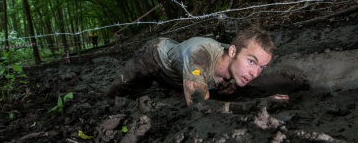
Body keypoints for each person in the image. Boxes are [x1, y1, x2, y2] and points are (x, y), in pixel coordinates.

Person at [107, 27, 289, 112]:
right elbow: (199, 106)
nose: (255, 73)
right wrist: (260, 104)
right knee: (115, 94)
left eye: (262, 67)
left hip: (180, 70)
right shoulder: (201, 53)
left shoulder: (234, 60)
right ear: (232, 51)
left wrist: (217, 87)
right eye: (251, 62)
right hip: (151, 57)